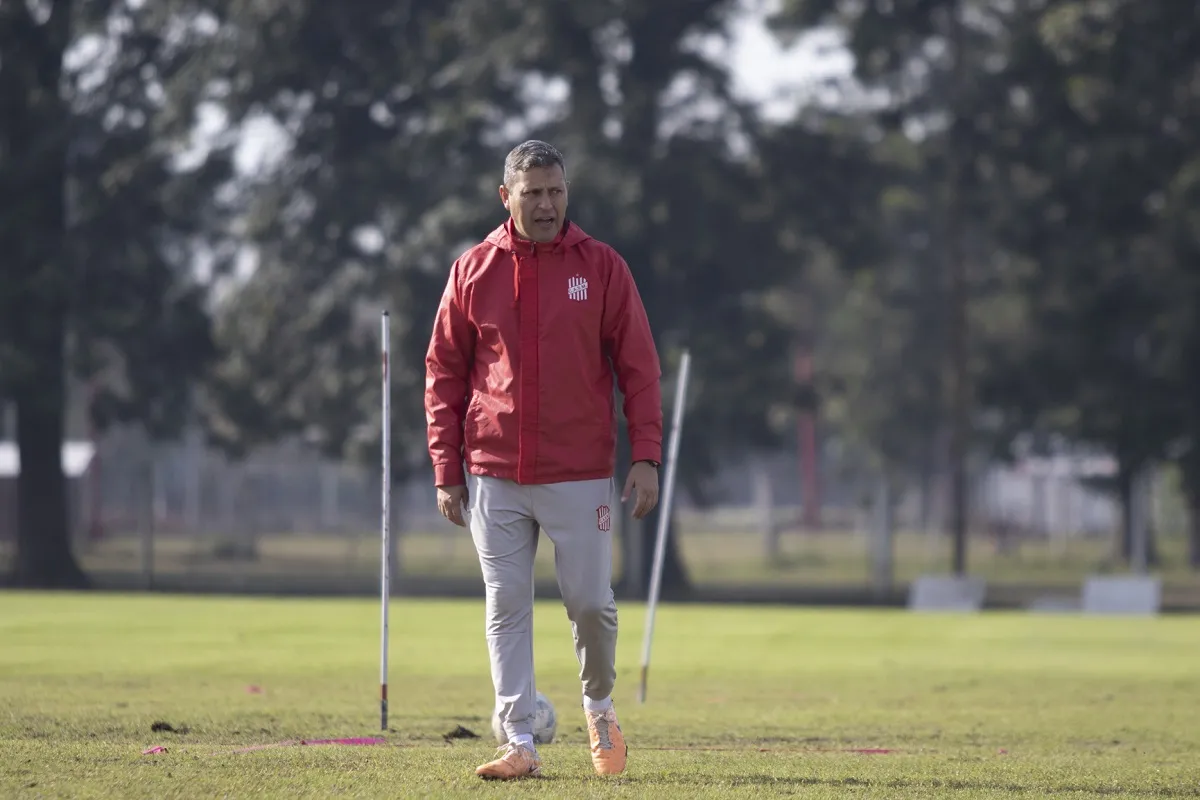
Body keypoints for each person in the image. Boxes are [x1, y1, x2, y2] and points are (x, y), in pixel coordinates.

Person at [424, 140, 663, 780]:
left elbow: (638, 367)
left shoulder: (604, 268)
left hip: (580, 469)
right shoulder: (472, 270)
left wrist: (646, 455)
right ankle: (519, 741)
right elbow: (443, 373)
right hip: (492, 470)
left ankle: (600, 707)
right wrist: (447, 469)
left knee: (591, 603)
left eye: (556, 191)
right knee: (506, 604)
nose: (547, 203)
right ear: (507, 197)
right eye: (533, 193)